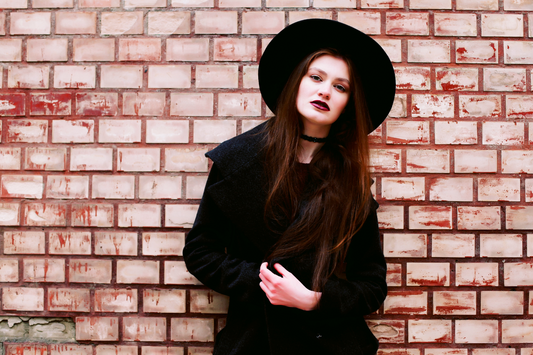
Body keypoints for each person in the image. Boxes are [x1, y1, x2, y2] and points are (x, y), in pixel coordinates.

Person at [183, 19, 396, 355]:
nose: (325, 91)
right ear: (296, 82)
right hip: (255, 339)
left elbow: (371, 286)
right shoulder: (239, 161)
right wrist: (264, 282)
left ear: (347, 104)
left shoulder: (351, 183)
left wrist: (313, 300)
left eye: (341, 87)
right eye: (316, 77)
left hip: (327, 343)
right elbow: (200, 252)